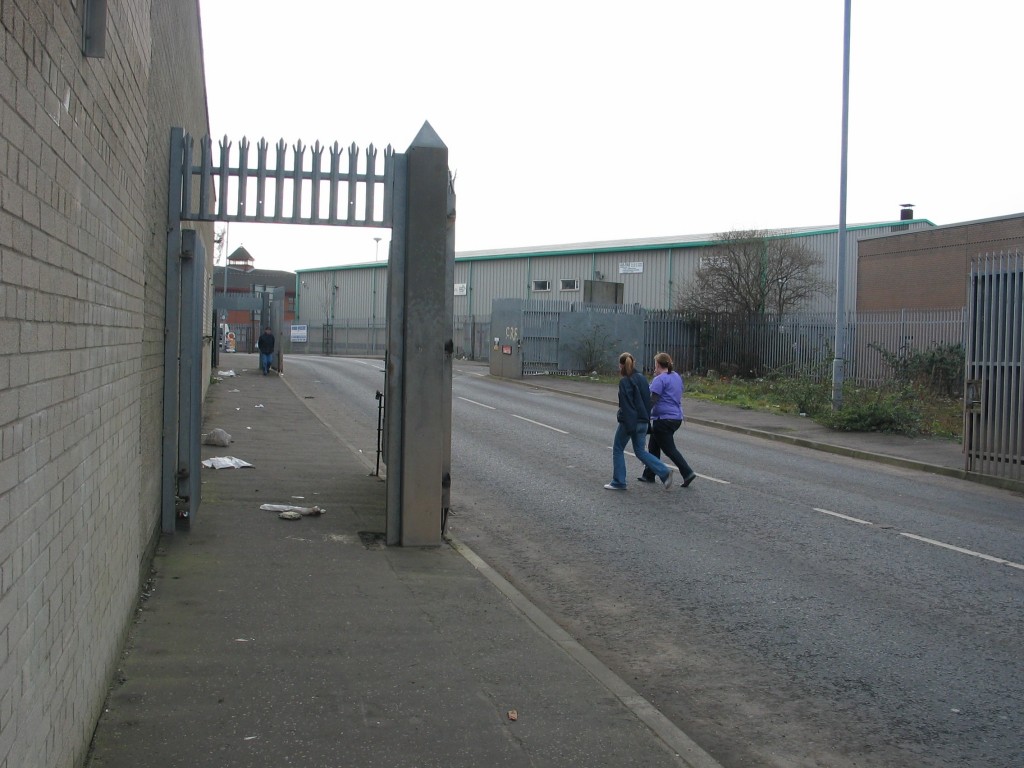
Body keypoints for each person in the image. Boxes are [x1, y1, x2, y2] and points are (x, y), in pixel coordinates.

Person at [605, 352, 674, 491]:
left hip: (629, 422)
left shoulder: (624, 382)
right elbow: (648, 401)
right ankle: (664, 471)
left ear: (620, 365)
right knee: (640, 451)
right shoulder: (642, 378)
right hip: (643, 421)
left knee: (618, 448)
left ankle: (619, 481)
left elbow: (626, 405)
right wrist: (646, 419)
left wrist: (627, 423)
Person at [639, 352, 697, 488]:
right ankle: (649, 474)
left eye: (655, 365)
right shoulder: (675, 376)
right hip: (676, 418)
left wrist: (643, 415)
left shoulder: (660, 379)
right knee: (654, 444)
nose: (654, 368)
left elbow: (652, 400)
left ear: (658, 365)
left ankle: (687, 472)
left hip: (664, 419)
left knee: (669, 449)